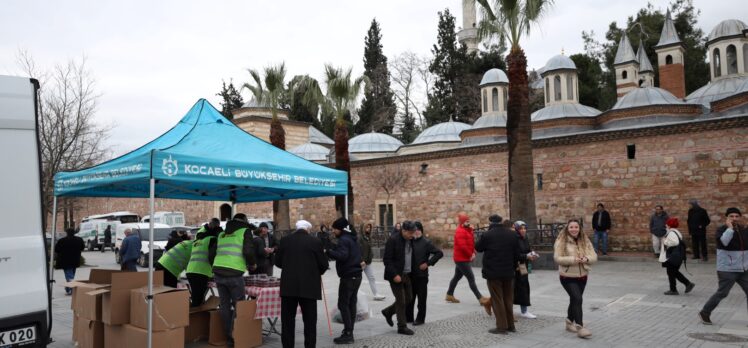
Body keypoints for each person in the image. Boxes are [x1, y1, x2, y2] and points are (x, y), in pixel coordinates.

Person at [275, 220, 328, 348]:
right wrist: (316, 272)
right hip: (309, 287)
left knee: (287, 322)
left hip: (289, 286)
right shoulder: (315, 241)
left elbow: (278, 262)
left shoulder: (285, 240)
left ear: (296, 228)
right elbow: (324, 265)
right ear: (308, 230)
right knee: (310, 322)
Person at [211, 213, 257, 347]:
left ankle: (228, 335)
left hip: (218, 272)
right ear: (244, 221)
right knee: (239, 306)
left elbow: (211, 254)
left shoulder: (222, 234)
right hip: (234, 273)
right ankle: (234, 336)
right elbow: (248, 251)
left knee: (224, 305)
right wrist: (252, 264)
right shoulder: (245, 231)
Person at [699, 208, 748, 325]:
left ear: (740, 217)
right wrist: (730, 229)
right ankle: (705, 312)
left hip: (744, 269)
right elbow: (724, 242)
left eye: (737, 216)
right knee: (723, 293)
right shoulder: (721, 230)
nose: (734, 218)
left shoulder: (743, 230)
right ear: (727, 218)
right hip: (727, 269)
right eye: (731, 216)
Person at [475, 215, 520, 334]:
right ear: (501, 221)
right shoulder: (512, 234)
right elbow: (517, 254)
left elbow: (478, 248)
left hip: (493, 272)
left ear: (490, 222)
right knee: (508, 298)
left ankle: (501, 326)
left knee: (497, 299)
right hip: (509, 272)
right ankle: (511, 325)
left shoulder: (487, 235)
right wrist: (513, 266)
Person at [553, 219, 597, 339]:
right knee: (578, 299)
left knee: (575, 300)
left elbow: (594, 256)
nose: (574, 229)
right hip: (567, 276)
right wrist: (573, 259)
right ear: (567, 228)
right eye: (571, 227)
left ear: (579, 228)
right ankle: (580, 327)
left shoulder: (585, 240)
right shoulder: (561, 240)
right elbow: (557, 258)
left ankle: (568, 322)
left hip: (582, 276)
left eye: (576, 227)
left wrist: (586, 259)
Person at [326, 217, 363, 344]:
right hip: (356, 275)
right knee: (351, 304)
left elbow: (342, 256)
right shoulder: (352, 238)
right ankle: (349, 330)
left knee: (343, 304)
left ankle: (348, 333)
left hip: (348, 276)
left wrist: (329, 251)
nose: (333, 231)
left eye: (334, 229)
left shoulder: (344, 240)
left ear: (340, 229)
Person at [446, 212, 489, 307]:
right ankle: (480, 298)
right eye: (467, 221)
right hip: (461, 259)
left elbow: (469, 243)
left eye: (469, 221)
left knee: (457, 277)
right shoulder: (460, 231)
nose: (469, 222)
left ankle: (449, 294)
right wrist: (471, 254)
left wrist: (473, 251)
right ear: (462, 222)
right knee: (471, 278)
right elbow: (463, 246)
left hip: (462, 258)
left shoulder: (466, 230)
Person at [382, 220, 416, 335]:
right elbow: (387, 260)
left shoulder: (410, 240)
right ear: (404, 230)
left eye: (413, 233)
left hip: (406, 274)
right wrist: (394, 275)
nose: (412, 235)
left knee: (409, 298)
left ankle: (388, 311)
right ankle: (402, 326)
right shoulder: (393, 240)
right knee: (401, 301)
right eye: (410, 233)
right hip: (396, 275)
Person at [406, 221, 443, 325]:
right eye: (414, 230)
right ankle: (408, 318)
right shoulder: (410, 241)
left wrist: (428, 263)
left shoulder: (426, 243)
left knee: (421, 299)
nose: (416, 232)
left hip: (421, 276)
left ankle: (420, 319)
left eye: (418, 230)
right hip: (410, 275)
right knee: (410, 298)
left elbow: (439, 253)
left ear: (421, 230)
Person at [187, 218, 221, 307]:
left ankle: (195, 315)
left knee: (196, 297)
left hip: (191, 271)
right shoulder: (212, 239)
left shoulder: (197, 240)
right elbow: (212, 256)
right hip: (201, 272)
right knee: (198, 299)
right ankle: (195, 317)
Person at [660, 217, 695, 295]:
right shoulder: (676, 232)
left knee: (672, 272)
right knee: (673, 272)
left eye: (667, 224)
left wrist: (665, 241)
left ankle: (680, 287)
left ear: (669, 225)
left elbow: (675, 242)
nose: (666, 225)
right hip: (677, 256)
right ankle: (681, 286)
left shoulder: (671, 233)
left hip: (673, 256)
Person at [513, 220, 539, 319]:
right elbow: (515, 255)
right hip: (515, 267)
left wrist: (532, 254)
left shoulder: (525, 238)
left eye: (524, 228)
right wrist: (526, 256)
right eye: (521, 229)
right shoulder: (514, 239)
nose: (523, 230)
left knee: (524, 288)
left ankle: (524, 311)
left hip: (523, 267)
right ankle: (505, 309)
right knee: (512, 290)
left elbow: (527, 250)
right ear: (516, 229)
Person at [359, 223, 386, 301]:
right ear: (363, 227)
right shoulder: (360, 238)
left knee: (372, 278)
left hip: (367, 262)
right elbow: (357, 250)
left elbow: (369, 249)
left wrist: (370, 258)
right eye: (367, 227)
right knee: (357, 280)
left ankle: (376, 294)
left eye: (369, 227)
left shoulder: (368, 237)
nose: (368, 228)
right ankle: (354, 295)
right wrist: (361, 260)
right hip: (361, 262)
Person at [55, 228, 85, 295]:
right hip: (75, 260)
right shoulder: (79, 240)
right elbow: (82, 247)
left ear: (67, 233)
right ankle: (68, 288)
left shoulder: (62, 240)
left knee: (69, 276)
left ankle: (71, 289)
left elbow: (56, 249)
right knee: (71, 275)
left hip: (65, 261)